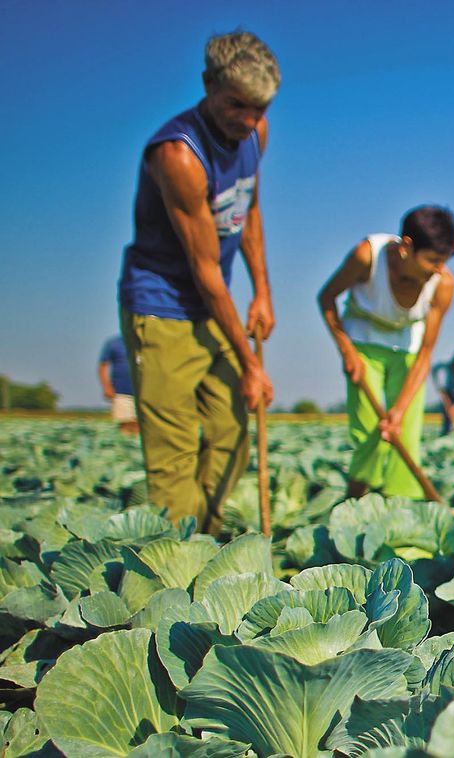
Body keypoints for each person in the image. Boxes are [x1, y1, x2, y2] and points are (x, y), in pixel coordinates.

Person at [116, 31, 279, 534]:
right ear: (208, 85)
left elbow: (248, 211)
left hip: (217, 307)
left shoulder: (256, 133)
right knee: (175, 453)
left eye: (258, 108)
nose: (248, 120)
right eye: (237, 105)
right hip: (163, 308)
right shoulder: (179, 156)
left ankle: (202, 541)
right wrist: (251, 363)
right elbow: (205, 271)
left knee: (233, 430)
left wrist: (263, 292)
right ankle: (176, 564)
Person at [318, 205, 454, 499]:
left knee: (405, 433)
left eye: (443, 261)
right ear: (407, 246)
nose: (438, 269)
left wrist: (399, 410)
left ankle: (402, 512)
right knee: (370, 432)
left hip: (408, 348)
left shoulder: (443, 283)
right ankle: (354, 501)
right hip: (364, 342)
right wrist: (346, 350)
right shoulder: (367, 256)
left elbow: (425, 355)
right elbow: (327, 298)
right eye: (432, 260)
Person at [97, 335, 138, 435]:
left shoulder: (147, 341)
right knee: (125, 426)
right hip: (121, 392)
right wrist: (106, 387)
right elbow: (103, 366)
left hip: (145, 393)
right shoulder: (114, 343)